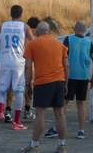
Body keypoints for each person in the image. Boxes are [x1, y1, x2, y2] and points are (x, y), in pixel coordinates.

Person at [44, 21, 93, 140]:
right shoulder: (89, 43)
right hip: (84, 77)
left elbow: (62, 57)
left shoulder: (68, 40)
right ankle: (81, 131)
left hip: (70, 76)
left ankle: (56, 128)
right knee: (81, 104)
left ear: (75, 29)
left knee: (64, 103)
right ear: (85, 31)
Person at [21, 22, 69, 153]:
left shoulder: (32, 44)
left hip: (43, 82)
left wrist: (27, 84)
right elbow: (66, 65)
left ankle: (34, 145)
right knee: (59, 114)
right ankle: (62, 146)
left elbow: (28, 67)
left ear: (37, 31)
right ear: (49, 31)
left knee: (40, 114)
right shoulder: (60, 45)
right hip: (59, 81)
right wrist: (66, 83)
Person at [0, 5, 34, 130]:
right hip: (18, 61)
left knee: (2, 89)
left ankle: (0, 112)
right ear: (21, 14)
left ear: (10, 14)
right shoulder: (24, 27)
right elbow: (33, 42)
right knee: (19, 91)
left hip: (4, 60)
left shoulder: (3, 25)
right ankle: (17, 122)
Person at [23, 17, 41, 121]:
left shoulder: (24, 33)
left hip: (21, 62)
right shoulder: (36, 36)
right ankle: (27, 110)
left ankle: (8, 110)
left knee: (21, 87)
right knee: (29, 86)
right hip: (32, 64)